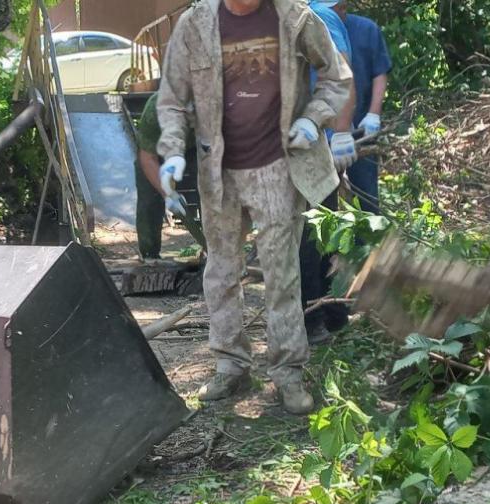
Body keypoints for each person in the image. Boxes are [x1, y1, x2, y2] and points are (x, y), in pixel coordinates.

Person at [156, 0, 353, 414]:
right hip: (219, 172)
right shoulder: (196, 24)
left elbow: (337, 77)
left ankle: (288, 374)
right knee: (222, 273)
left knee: (282, 275)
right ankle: (231, 366)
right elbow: (172, 99)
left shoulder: (295, 18)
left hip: (277, 168)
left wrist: (313, 118)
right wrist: (173, 150)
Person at [301, 0, 357, 345]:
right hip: (309, 143)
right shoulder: (319, 15)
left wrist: (341, 133)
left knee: (312, 234)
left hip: (314, 145)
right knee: (321, 232)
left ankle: (316, 319)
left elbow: (342, 75)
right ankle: (331, 315)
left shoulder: (317, 17)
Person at [337, 0, 392, 214]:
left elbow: (380, 72)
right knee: (320, 202)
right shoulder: (313, 28)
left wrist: (373, 114)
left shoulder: (366, 29)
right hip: (323, 132)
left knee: (366, 194)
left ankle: (368, 242)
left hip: (361, 128)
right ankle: (323, 246)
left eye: (342, 6)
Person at [134, 92, 197, 261]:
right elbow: (148, 158)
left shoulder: (214, 106)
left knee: (213, 193)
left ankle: (217, 252)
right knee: (149, 199)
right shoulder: (155, 109)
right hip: (157, 152)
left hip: (195, 148)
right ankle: (149, 255)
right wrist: (169, 194)